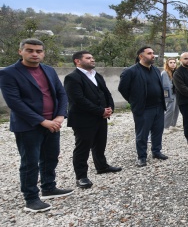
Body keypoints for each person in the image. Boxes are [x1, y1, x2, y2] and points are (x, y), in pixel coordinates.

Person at [0, 38, 73, 212]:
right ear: (21, 52)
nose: (35, 54)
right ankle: (31, 198)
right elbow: (15, 103)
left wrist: (60, 116)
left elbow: (61, 94)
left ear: (43, 53)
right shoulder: (9, 73)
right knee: (30, 162)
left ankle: (49, 187)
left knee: (50, 157)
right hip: (28, 126)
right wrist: (42, 121)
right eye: (30, 50)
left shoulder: (48, 70)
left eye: (39, 51)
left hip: (53, 123)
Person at [64, 51, 121, 190]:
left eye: (92, 57)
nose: (92, 60)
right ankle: (81, 176)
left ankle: (101, 166)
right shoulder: (72, 78)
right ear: (77, 61)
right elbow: (78, 100)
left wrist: (110, 108)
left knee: (100, 143)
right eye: (88, 58)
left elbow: (107, 93)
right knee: (82, 148)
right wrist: (100, 111)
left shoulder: (97, 75)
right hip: (83, 119)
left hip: (101, 117)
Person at [118, 46, 168, 167]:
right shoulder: (131, 71)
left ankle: (156, 151)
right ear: (141, 56)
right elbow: (122, 88)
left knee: (158, 131)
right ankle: (142, 156)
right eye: (149, 53)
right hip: (144, 108)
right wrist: (134, 101)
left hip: (158, 106)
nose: (153, 56)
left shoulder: (156, 70)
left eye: (153, 53)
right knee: (142, 134)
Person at [162, 58, 179, 132]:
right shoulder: (165, 73)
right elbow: (165, 86)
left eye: (174, 62)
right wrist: (168, 97)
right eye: (171, 62)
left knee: (176, 110)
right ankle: (165, 127)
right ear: (167, 64)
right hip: (169, 94)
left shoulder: (175, 72)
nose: (173, 64)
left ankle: (172, 125)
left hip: (176, 93)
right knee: (170, 110)